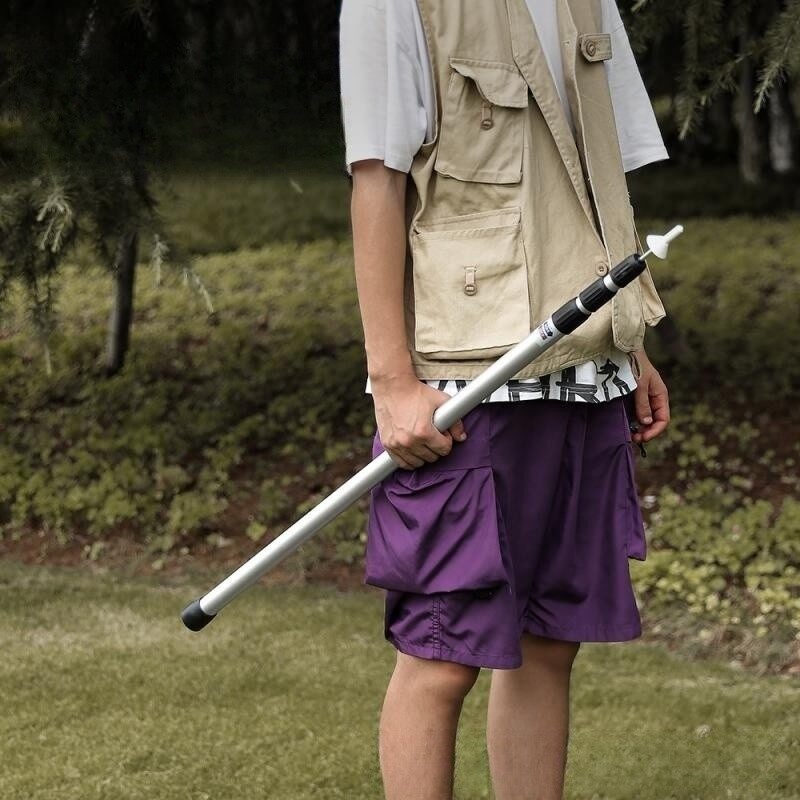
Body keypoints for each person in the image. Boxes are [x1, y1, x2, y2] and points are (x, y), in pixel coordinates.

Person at [339, 1, 671, 798]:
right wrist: (391, 380)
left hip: (586, 368)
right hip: (466, 379)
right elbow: (377, 180)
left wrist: (631, 342)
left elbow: (598, 181)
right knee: (443, 652)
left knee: (551, 641)